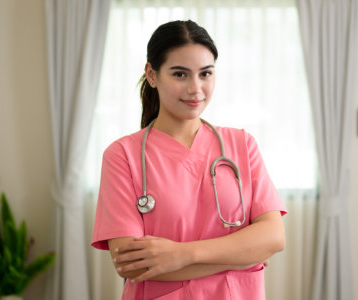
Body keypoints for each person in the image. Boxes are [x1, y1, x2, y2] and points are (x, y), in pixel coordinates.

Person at [91, 20, 287, 300]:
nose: (196, 89)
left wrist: (182, 254)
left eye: (205, 74)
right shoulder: (122, 155)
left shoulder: (242, 144)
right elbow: (133, 264)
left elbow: (274, 237)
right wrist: (243, 256)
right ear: (152, 74)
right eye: (180, 74)